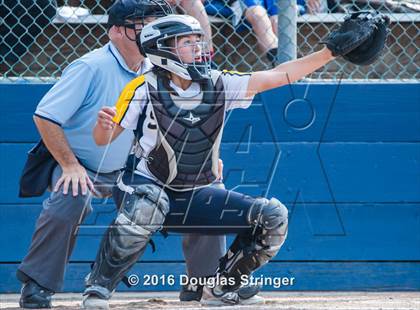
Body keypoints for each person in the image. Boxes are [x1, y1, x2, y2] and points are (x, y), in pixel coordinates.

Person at [80, 13, 344, 308]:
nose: (197, 48)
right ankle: (98, 288)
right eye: (187, 42)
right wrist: (102, 128)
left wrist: (329, 52)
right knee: (147, 205)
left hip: (194, 194)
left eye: (198, 41)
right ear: (162, 47)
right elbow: (103, 140)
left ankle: (221, 287)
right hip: (145, 187)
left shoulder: (218, 83)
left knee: (273, 217)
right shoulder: (142, 88)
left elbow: (279, 75)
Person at [15, 1, 227, 308]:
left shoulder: (161, 67)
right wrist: (69, 165)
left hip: (137, 166)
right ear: (116, 31)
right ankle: (37, 287)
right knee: (71, 194)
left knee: (207, 192)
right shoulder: (91, 67)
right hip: (84, 164)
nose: (150, 32)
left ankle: (205, 286)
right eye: (142, 25)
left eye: (155, 26)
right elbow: (46, 116)